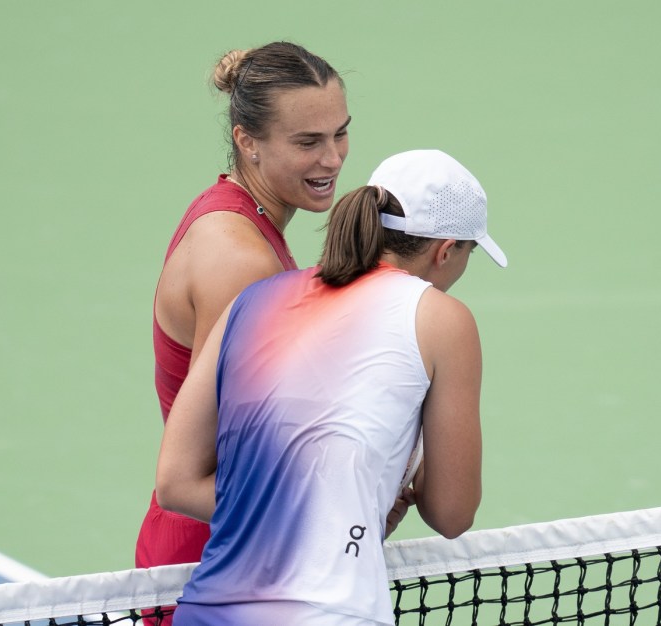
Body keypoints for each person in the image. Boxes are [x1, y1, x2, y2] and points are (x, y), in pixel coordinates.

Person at [156, 149, 508, 625]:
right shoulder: (444, 320)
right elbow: (451, 513)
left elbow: (175, 484)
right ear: (446, 251)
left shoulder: (250, 302)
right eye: (468, 254)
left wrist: (329, 514)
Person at [136, 41, 351, 574]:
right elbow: (215, 461)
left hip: (239, 541)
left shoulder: (235, 216)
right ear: (247, 140)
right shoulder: (241, 260)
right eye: (308, 142)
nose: (332, 158)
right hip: (213, 559)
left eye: (340, 132)